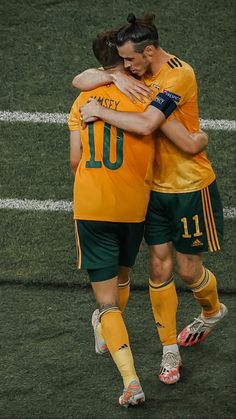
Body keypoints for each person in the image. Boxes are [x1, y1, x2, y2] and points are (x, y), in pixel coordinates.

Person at [78, 13, 228, 386]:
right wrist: (114, 75)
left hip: (190, 186)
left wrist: (99, 111)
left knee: (188, 271)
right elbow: (80, 79)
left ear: (149, 51)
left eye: (130, 60)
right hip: (153, 191)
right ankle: (169, 352)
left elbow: (147, 124)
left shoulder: (179, 74)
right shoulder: (138, 72)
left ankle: (211, 311)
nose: (127, 66)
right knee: (159, 269)